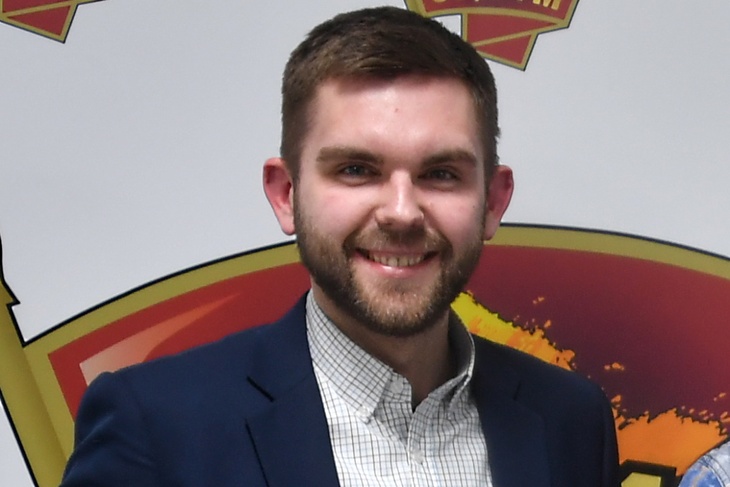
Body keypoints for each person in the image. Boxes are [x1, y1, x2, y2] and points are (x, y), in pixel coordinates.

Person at [61, 6, 620, 486]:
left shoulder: (571, 420)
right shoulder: (155, 427)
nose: (401, 211)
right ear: (286, 194)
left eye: (441, 174)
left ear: (493, 201)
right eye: (356, 169)